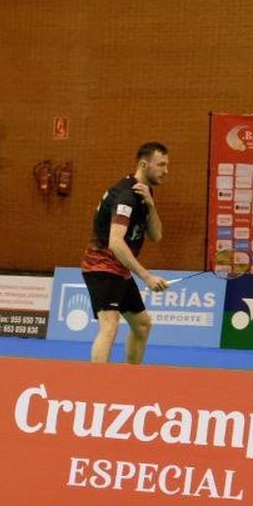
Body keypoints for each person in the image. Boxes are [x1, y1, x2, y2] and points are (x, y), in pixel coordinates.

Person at [81, 142, 170, 364]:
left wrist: (151, 206)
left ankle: (130, 379)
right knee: (109, 324)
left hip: (120, 268)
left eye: (167, 165)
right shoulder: (125, 196)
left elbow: (156, 235)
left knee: (142, 326)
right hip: (101, 266)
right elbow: (115, 243)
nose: (166, 171)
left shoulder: (144, 192)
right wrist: (147, 276)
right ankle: (96, 386)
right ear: (143, 164)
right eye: (161, 165)